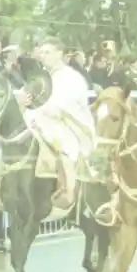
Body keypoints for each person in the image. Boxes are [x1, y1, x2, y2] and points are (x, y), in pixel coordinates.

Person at [14, 37, 95, 211]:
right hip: (40, 121)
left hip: (69, 126)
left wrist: (37, 106)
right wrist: (21, 99)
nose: (43, 56)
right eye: (42, 52)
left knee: (63, 147)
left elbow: (62, 107)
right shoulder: (41, 76)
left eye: (48, 52)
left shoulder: (72, 77)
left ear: (60, 54)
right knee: (11, 138)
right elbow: (25, 93)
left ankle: (68, 190)